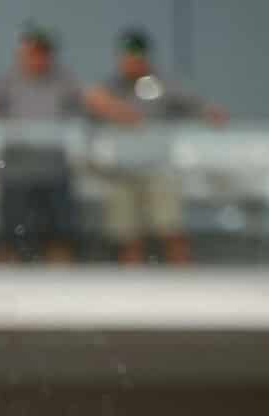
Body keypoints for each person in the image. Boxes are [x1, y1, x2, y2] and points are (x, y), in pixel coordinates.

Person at [0, 24, 138, 265]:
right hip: (16, 170)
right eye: (31, 52)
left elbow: (94, 99)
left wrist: (124, 114)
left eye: (41, 53)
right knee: (10, 235)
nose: (36, 59)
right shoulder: (8, 80)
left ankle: (61, 284)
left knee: (61, 234)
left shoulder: (63, 78)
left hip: (54, 170)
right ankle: (4, 283)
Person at [102, 28, 227, 266]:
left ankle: (184, 279)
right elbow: (90, 99)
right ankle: (131, 289)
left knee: (170, 228)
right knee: (128, 235)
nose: (132, 62)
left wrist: (211, 114)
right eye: (127, 56)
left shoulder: (161, 85)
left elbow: (197, 105)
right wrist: (119, 112)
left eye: (136, 56)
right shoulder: (112, 86)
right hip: (123, 171)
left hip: (158, 169)